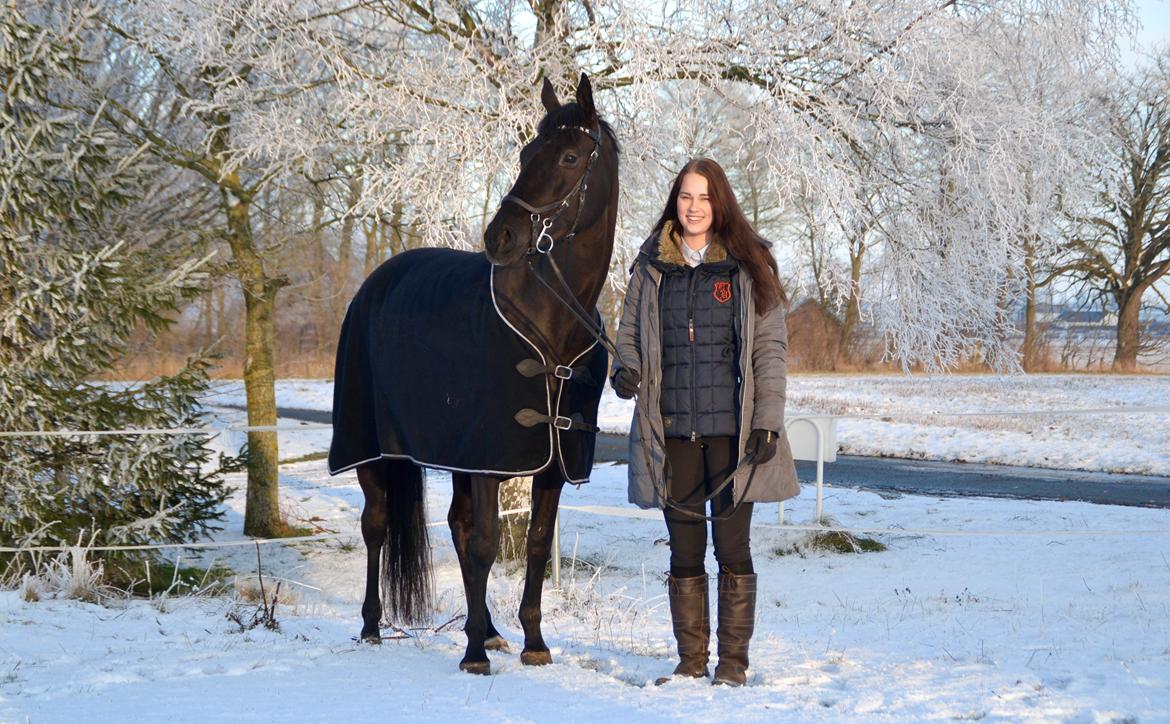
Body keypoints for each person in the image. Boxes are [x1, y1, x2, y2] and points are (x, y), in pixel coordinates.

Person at [611, 158, 799, 687]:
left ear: (720, 203)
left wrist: (768, 422)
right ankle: (692, 660)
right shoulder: (651, 267)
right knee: (685, 549)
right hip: (672, 433)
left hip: (733, 436)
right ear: (676, 201)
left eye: (704, 198)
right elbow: (630, 338)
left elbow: (770, 351)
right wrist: (624, 373)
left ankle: (733, 664)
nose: (693, 208)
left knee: (733, 548)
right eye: (685, 197)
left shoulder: (749, 264)